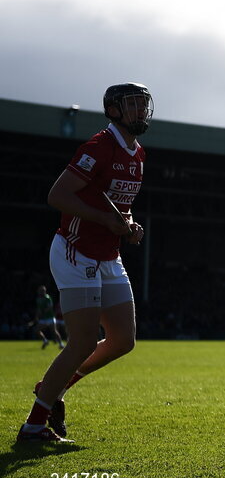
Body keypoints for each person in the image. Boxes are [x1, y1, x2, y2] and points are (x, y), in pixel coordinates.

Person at [18, 83, 152, 443]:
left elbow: (118, 203)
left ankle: (53, 387)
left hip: (109, 255)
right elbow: (58, 195)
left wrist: (128, 224)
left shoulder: (138, 154)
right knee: (82, 341)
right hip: (76, 251)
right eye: (133, 105)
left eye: (143, 104)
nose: (140, 111)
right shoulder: (98, 147)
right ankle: (33, 426)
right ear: (113, 110)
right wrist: (106, 220)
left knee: (123, 339)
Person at [32, 285, 65, 349]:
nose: (42, 292)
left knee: (54, 331)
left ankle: (61, 344)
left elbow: (49, 307)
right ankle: (45, 340)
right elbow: (38, 309)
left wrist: (43, 313)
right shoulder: (38, 299)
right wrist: (37, 316)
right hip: (43, 319)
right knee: (36, 330)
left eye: (43, 290)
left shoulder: (47, 298)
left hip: (50, 318)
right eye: (41, 291)